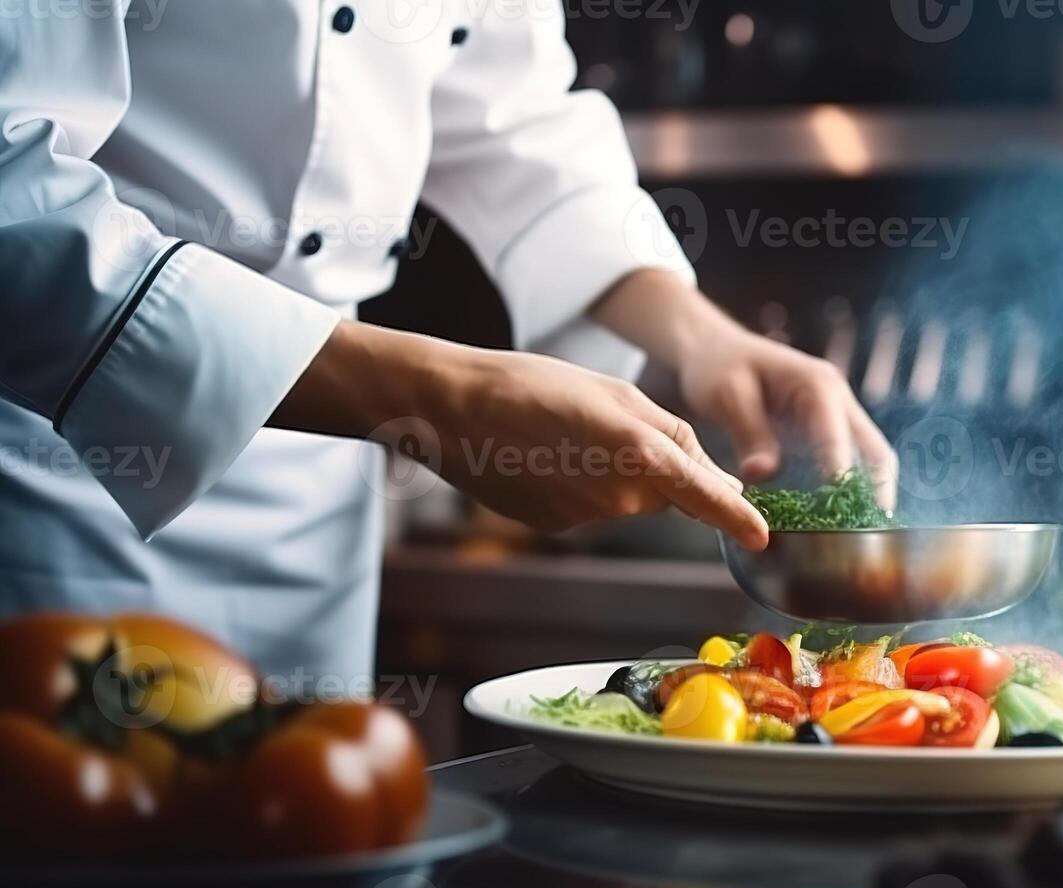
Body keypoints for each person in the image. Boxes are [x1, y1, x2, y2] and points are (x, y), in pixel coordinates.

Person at [0, 4, 896, 684]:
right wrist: (436, 396)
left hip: (315, 513)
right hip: (55, 475)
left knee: (303, 855)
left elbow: (514, 121)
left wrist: (700, 337)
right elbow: (16, 194)